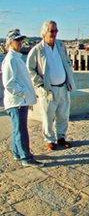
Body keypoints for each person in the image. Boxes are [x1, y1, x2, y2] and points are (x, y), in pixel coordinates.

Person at [27, 20, 76, 152]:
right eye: (52, 31)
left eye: (56, 30)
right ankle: (49, 140)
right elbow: (30, 69)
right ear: (44, 32)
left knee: (63, 115)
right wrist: (40, 84)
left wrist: (69, 78)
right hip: (48, 89)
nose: (54, 33)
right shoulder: (37, 50)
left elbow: (66, 62)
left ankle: (61, 137)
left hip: (63, 87)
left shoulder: (61, 45)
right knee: (48, 117)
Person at [2, 29, 44, 167]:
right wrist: (25, 93)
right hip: (17, 102)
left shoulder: (15, 58)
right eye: (17, 40)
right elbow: (9, 83)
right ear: (10, 42)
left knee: (17, 129)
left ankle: (17, 153)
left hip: (19, 101)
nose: (20, 43)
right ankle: (26, 158)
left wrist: (27, 94)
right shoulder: (10, 59)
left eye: (21, 40)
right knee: (21, 130)